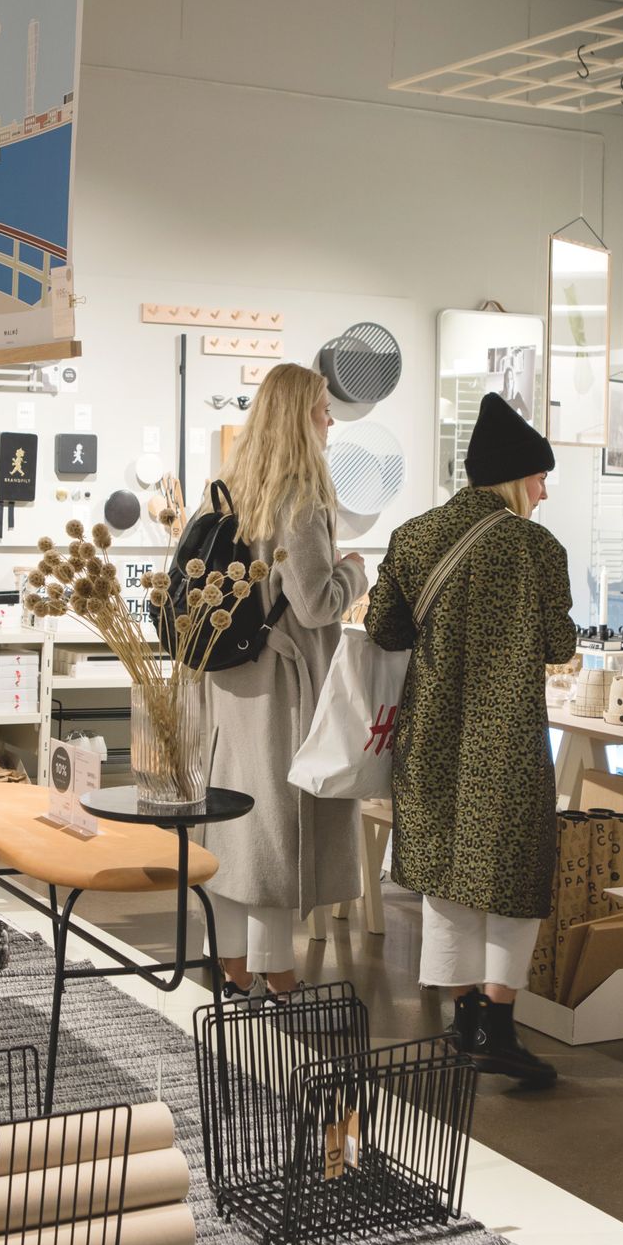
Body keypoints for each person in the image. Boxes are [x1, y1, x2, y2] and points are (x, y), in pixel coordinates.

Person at [366, 392, 575, 1087]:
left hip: (429, 737)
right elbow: (557, 645)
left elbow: (385, 631)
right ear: (515, 477)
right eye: (540, 478)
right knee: (513, 882)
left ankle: (464, 1022)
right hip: (508, 741)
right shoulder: (537, 549)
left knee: (445, 876)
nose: (544, 492)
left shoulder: (414, 537)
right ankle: (499, 1025)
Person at [203, 362, 369, 999]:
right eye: (324, 408)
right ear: (301, 415)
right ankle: (278, 974)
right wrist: (357, 570)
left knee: (237, 830)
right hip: (282, 685)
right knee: (276, 832)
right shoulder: (302, 496)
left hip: (232, 681)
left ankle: (236, 965)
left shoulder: (228, 486)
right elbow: (316, 603)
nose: (330, 420)